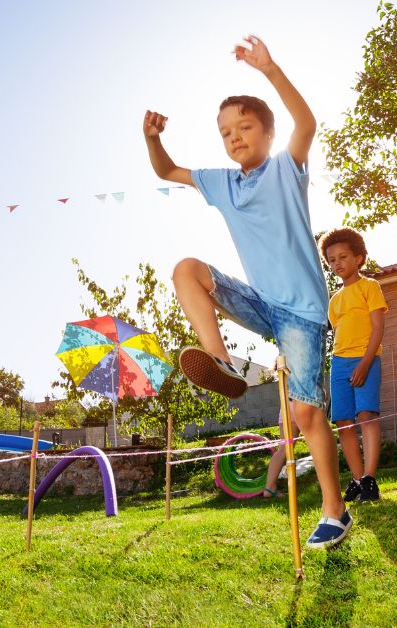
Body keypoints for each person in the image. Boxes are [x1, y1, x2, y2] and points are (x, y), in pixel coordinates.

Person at [142, 35, 350, 548]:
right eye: (225, 132)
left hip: (301, 313)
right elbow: (167, 171)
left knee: (306, 413)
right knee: (187, 269)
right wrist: (152, 138)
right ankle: (223, 362)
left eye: (244, 127)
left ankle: (335, 512)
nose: (234, 138)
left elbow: (308, 124)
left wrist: (271, 70)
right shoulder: (222, 184)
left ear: (266, 131)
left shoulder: (286, 167)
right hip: (260, 304)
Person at [322, 228, 386, 502]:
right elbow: (338, 333)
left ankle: (370, 478)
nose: (338, 263)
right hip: (339, 363)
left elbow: (378, 329)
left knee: (366, 415)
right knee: (343, 422)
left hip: (367, 358)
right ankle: (358, 480)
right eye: (332, 260)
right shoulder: (334, 300)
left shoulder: (370, 287)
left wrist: (365, 363)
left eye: (343, 257)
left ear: (358, 258)